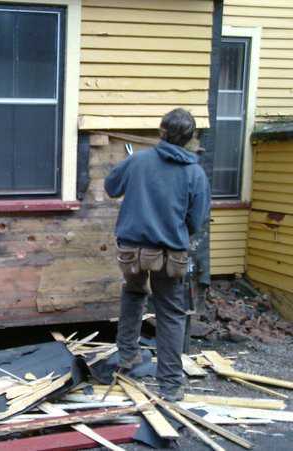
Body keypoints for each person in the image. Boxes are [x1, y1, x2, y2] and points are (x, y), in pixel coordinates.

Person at [104, 108, 211, 401]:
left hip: (132, 251)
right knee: (171, 315)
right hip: (170, 255)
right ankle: (171, 387)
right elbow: (196, 220)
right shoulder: (195, 173)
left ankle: (127, 358)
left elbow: (111, 187)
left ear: (161, 132)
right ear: (189, 139)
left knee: (134, 294)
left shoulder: (137, 161)